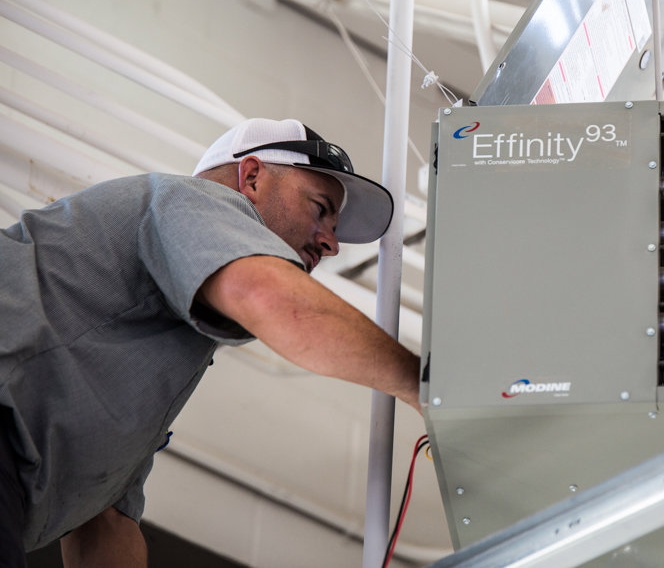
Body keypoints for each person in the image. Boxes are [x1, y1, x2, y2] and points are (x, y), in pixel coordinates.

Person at [0, 118, 421, 566]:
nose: (331, 244)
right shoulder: (193, 199)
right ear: (252, 177)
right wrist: (427, 387)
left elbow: (106, 520)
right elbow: (273, 299)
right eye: (320, 209)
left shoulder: (145, 355)